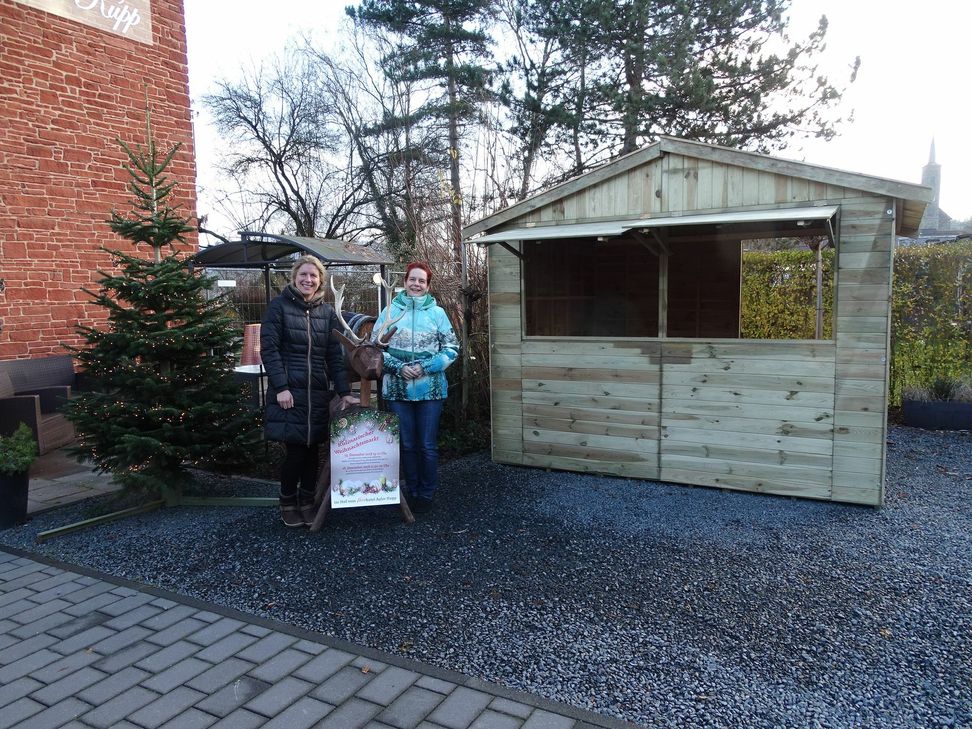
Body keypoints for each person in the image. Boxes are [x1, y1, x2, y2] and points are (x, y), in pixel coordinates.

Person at [260, 255, 357, 527]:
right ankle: (287, 503)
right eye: (303, 275)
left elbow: (334, 357)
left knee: (314, 450)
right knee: (295, 452)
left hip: (316, 393)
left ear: (320, 281)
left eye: (313, 276)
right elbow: (269, 349)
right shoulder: (278, 308)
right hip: (289, 392)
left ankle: (307, 502)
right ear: (294, 277)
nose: (308, 280)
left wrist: (344, 391)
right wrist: (280, 387)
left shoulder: (325, 313)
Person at [373, 261, 459, 513]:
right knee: (408, 444)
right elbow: (375, 349)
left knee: (427, 444)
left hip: (430, 390)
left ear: (428, 285)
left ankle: (427, 493)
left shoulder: (437, 314)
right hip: (398, 391)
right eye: (413, 279)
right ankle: (412, 491)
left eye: (422, 281)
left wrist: (426, 367)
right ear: (405, 282)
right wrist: (398, 367)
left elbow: (452, 348)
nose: (417, 284)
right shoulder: (390, 311)